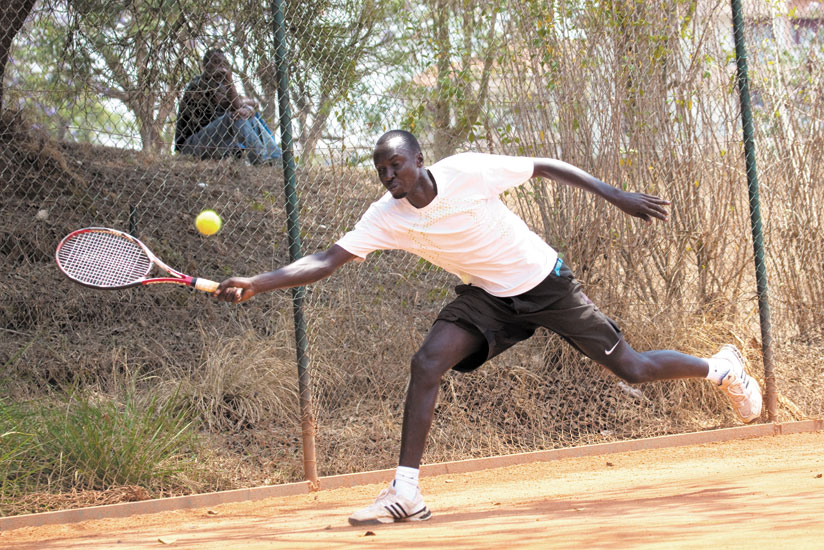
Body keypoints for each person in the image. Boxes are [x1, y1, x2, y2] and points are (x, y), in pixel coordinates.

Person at [213, 130, 763, 526]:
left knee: (633, 368)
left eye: (396, 166)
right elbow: (327, 258)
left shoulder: (468, 171)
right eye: (382, 171)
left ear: (419, 160)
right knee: (427, 362)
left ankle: (721, 368)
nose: (390, 177)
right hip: (489, 298)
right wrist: (258, 282)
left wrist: (614, 194)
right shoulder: (385, 216)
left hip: (544, 282)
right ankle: (407, 492)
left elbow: (543, 165)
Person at [174, 48, 281, 165]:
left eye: (224, 63)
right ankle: (261, 161)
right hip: (190, 145)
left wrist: (229, 81)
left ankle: (279, 161)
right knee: (234, 117)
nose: (220, 65)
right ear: (205, 66)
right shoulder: (198, 84)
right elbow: (232, 107)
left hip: (216, 142)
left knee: (250, 119)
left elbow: (237, 107)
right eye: (216, 62)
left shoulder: (223, 85)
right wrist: (244, 107)